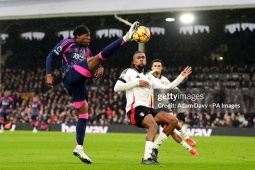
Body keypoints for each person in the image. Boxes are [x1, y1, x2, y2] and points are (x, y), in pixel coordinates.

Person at [46, 21, 139, 164]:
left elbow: (94, 62)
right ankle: (126, 38)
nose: (89, 38)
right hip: (70, 75)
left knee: (84, 113)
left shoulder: (87, 50)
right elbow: (50, 56)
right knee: (101, 56)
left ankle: (79, 147)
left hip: (79, 83)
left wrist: (100, 67)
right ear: (78, 36)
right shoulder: (68, 43)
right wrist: (49, 74)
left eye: (90, 36)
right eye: (86, 35)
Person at [114, 51, 192, 165]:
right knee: (153, 125)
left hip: (149, 109)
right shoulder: (129, 72)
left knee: (173, 121)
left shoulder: (149, 77)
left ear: (145, 61)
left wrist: (181, 77)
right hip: (135, 109)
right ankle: (146, 158)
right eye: (138, 58)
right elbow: (117, 88)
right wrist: (136, 82)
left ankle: (154, 148)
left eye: (143, 58)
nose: (141, 59)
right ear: (133, 61)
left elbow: (166, 88)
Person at [150, 59, 198, 156]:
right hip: (153, 108)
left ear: (162, 68)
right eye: (155, 66)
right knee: (172, 131)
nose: (157, 67)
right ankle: (188, 147)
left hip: (165, 106)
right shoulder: (148, 78)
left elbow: (174, 87)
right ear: (151, 68)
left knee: (174, 123)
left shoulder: (164, 80)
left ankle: (187, 139)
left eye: (159, 66)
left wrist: (183, 98)